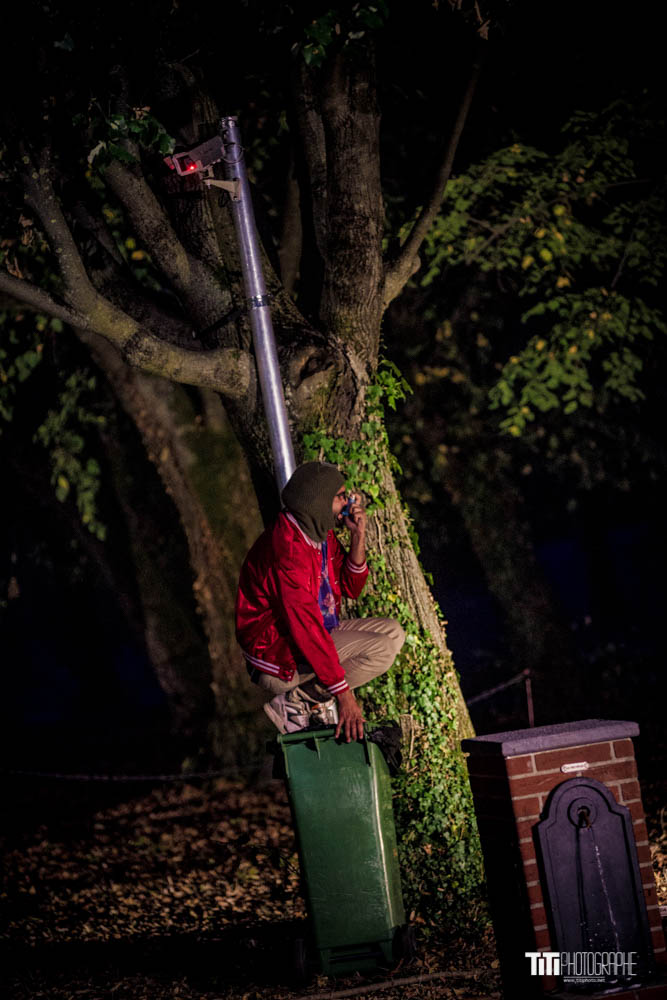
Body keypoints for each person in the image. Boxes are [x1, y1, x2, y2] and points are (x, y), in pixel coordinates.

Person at [235, 462, 405, 742]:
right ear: (319, 501)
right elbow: (306, 629)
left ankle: (307, 699)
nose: (348, 502)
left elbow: (352, 587)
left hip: (307, 637)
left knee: (393, 632)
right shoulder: (288, 551)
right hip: (277, 655)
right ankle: (296, 702)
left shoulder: (318, 532)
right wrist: (345, 697)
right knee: (382, 650)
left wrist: (358, 536)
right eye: (340, 496)